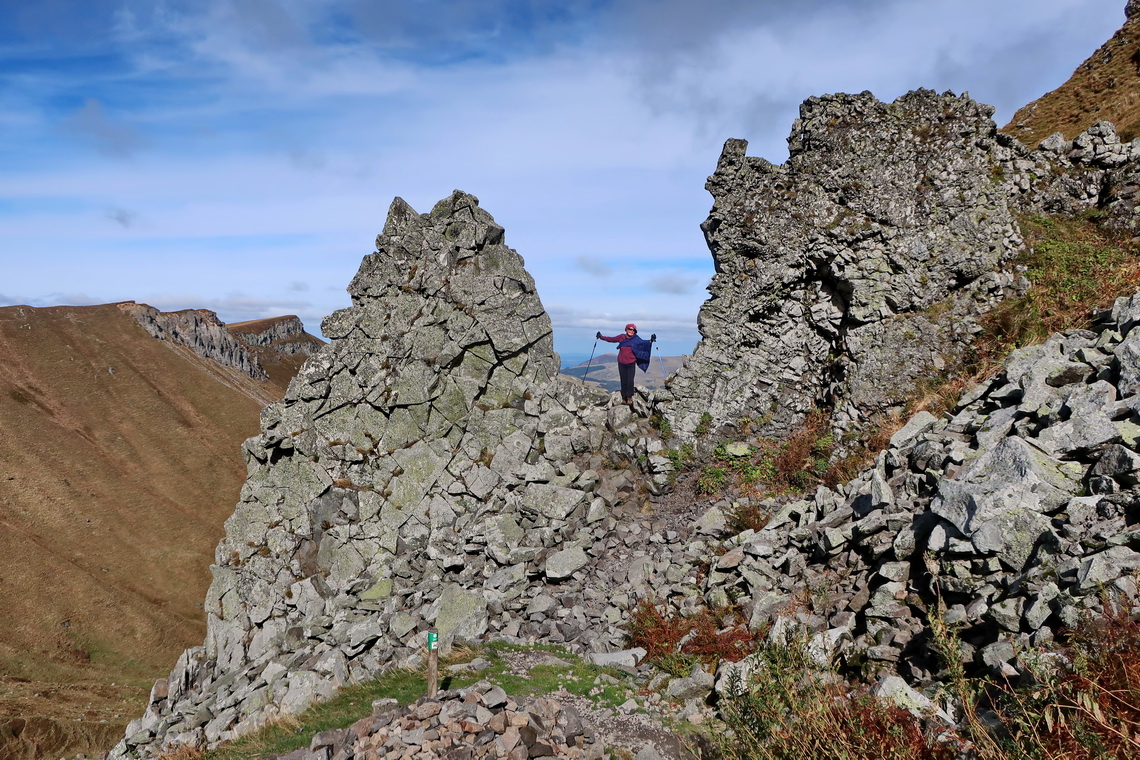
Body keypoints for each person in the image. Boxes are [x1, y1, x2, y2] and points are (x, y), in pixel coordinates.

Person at [597, 324, 652, 404]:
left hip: (631, 363)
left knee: (630, 380)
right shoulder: (621, 337)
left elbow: (644, 343)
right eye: (630, 329)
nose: (631, 331)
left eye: (633, 330)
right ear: (626, 329)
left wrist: (651, 340)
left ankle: (629, 397)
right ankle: (623, 397)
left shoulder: (636, 339)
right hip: (621, 362)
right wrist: (601, 337)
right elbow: (611, 339)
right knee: (623, 380)